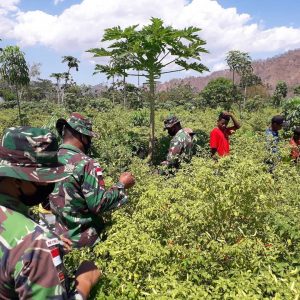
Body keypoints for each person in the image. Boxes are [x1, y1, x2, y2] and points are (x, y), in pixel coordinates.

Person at [0, 126, 100, 299]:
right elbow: (98, 202)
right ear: (16, 179)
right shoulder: (36, 244)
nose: (48, 186)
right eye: (42, 180)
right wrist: (84, 284)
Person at [49, 113, 135, 248]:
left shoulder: (49, 160)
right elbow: (98, 204)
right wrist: (122, 185)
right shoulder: (85, 164)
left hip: (60, 238)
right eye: (89, 137)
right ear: (82, 136)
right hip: (85, 240)